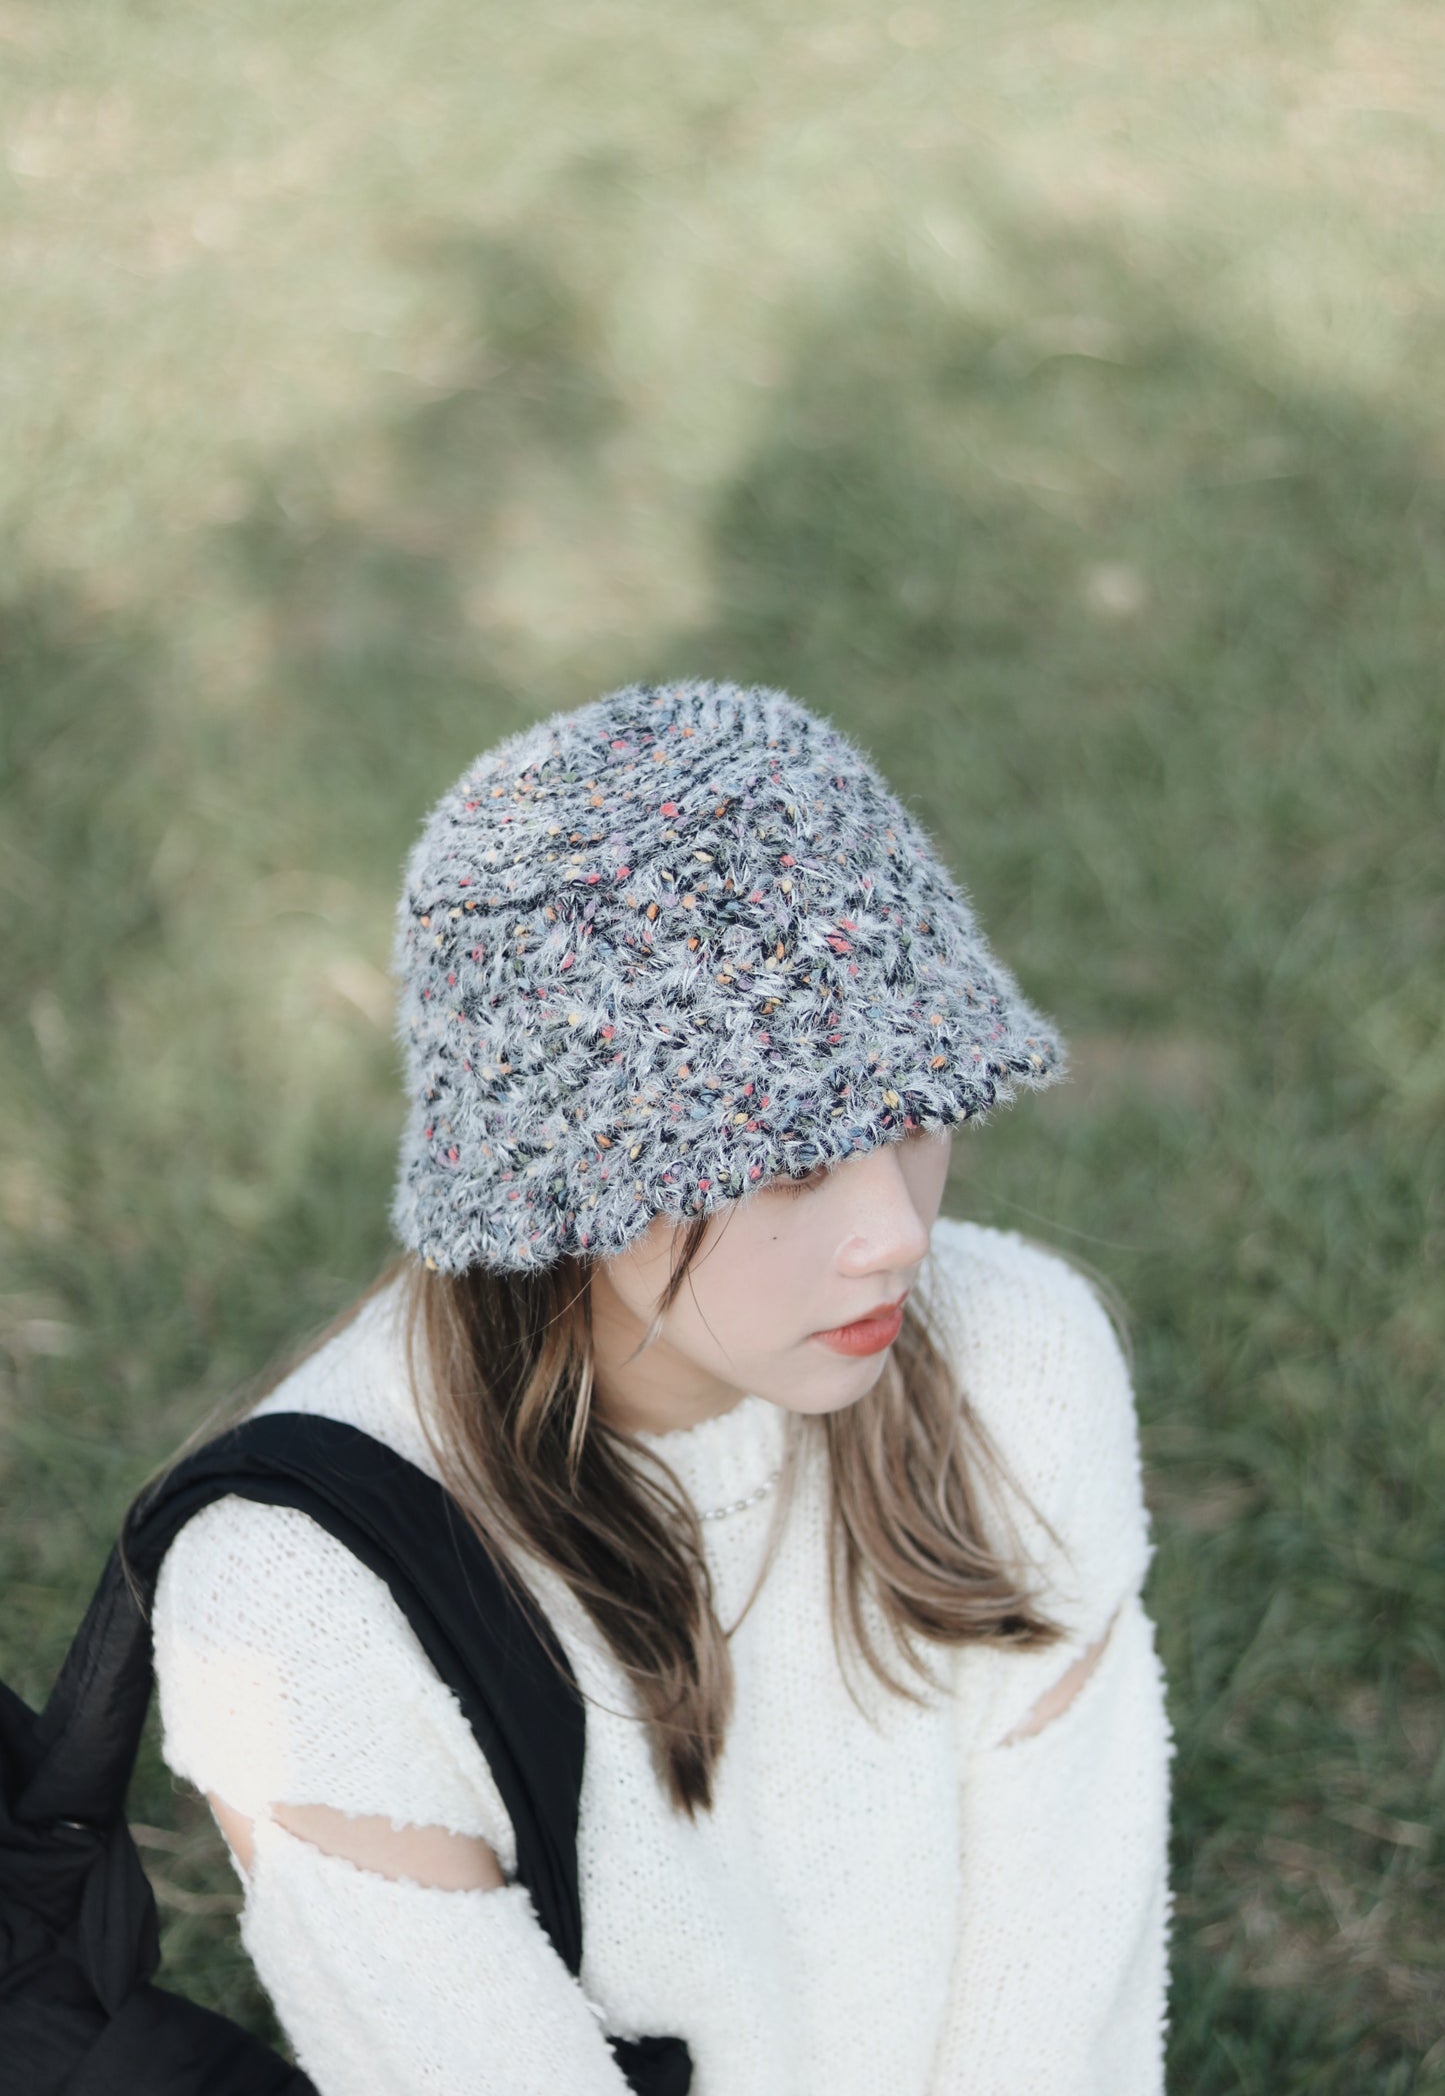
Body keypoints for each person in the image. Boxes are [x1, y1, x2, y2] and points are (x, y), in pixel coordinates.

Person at [150, 676, 1174, 2094]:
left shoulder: (1017, 1358)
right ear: (566, 1177)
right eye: (791, 1161)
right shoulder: (301, 1592)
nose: (893, 1231)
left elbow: (1059, 1984)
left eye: (918, 1111)